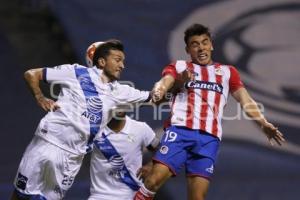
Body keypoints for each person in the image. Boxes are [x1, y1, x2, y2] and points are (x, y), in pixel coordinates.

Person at [133, 24, 285, 200]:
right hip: (180, 132)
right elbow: (164, 82)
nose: (201, 47)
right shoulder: (180, 66)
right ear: (188, 49)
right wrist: (160, 90)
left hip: (209, 140)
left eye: (205, 42)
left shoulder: (228, 72)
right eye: (195, 44)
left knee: (198, 197)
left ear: (211, 45)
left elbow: (246, 100)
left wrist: (263, 123)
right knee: (153, 181)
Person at [11, 39, 151, 200]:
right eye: (117, 60)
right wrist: (40, 97)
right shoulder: (76, 72)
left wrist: (177, 84)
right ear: (101, 61)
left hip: (72, 157)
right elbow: (31, 74)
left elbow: (155, 97)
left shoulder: (121, 91)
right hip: (47, 141)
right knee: (20, 193)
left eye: (122, 61)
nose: (122, 66)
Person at [88, 111, 159, 200]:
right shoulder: (93, 130)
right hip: (99, 196)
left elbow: (160, 149)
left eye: (123, 101)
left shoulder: (141, 128)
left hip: (132, 195)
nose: (120, 105)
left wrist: (151, 165)